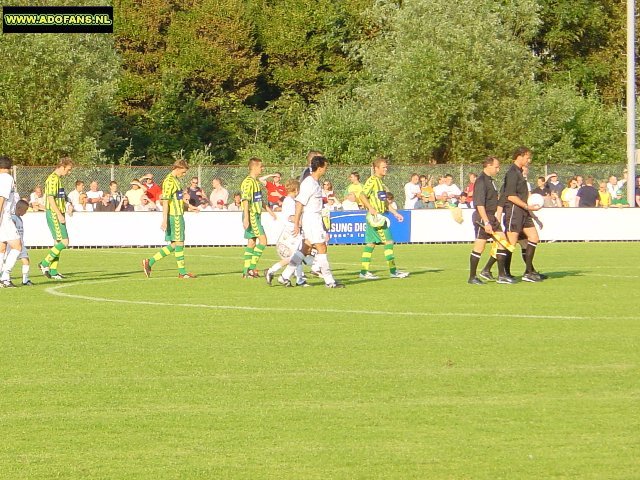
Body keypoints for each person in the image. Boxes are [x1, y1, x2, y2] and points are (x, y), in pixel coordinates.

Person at [276, 155, 344, 288]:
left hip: (314, 219)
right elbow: (300, 203)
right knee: (322, 247)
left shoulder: (314, 182)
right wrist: (296, 223)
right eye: (325, 167)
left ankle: (284, 276)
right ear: (319, 168)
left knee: (304, 249)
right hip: (312, 219)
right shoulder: (309, 183)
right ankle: (329, 281)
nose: (326, 169)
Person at [142, 159, 196, 279]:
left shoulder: (176, 181)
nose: (184, 174)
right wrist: (164, 220)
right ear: (177, 168)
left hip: (179, 214)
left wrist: (190, 207)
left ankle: (149, 262)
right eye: (184, 171)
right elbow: (165, 202)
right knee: (180, 243)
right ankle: (182, 272)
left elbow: (178, 199)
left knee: (173, 245)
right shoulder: (169, 181)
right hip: (174, 216)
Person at [358, 157, 409, 280]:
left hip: (377, 216)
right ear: (376, 168)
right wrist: (370, 207)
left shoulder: (381, 183)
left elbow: (385, 203)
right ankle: (393, 271)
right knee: (389, 242)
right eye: (383, 167)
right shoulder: (373, 180)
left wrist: (395, 213)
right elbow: (361, 195)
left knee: (370, 244)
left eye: (386, 167)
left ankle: (364, 272)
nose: (386, 169)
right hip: (376, 218)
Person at [501, 146, 543, 282]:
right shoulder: (512, 172)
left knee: (533, 237)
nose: (529, 160)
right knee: (510, 243)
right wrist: (527, 206)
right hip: (515, 211)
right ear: (519, 156)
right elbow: (510, 196)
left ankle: (528, 271)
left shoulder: (520, 172)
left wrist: (532, 214)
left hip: (524, 211)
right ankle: (504, 273)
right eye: (527, 157)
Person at [468, 156, 510, 284]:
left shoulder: (490, 180)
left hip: (492, 217)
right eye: (496, 166)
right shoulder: (481, 181)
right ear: (488, 166)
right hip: (483, 217)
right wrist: (486, 222)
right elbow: (479, 204)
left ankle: (501, 275)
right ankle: (472, 277)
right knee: (479, 247)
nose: (498, 169)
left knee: (503, 243)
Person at [264, 179, 309, 287]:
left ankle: (299, 279)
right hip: (291, 232)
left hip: (294, 230)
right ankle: (271, 270)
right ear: (297, 190)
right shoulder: (289, 201)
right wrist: (303, 223)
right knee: (295, 256)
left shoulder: (291, 200)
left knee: (298, 255)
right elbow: (291, 217)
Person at [38, 157, 74, 280]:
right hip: (54, 213)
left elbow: (61, 197)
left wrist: (69, 204)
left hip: (58, 212)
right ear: (62, 166)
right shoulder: (52, 179)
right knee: (65, 242)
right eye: (68, 170)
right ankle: (44, 263)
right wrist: (59, 214)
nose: (69, 173)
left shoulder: (58, 179)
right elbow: (51, 198)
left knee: (58, 243)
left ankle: (53, 271)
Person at [240, 158, 276, 278]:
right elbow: (245, 200)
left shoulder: (256, 182)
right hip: (251, 215)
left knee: (251, 242)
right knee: (263, 241)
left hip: (256, 215)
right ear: (254, 167)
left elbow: (259, 199)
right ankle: (251, 268)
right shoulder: (248, 182)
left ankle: (246, 271)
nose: (262, 168)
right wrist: (246, 217)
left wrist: (269, 210)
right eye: (261, 166)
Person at [0, 156, 24, 288]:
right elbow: (2, 198)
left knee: (2, 247)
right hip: (4, 216)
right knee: (17, 246)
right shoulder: (6, 178)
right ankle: (5, 276)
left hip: (4, 216)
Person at [2, 199, 33, 286]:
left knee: (26, 260)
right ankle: (5, 276)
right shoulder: (13, 218)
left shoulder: (19, 219)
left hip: (21, 244)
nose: (26, 212)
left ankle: (25, 280)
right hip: (13, 245)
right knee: (6, 260)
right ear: (19, 208)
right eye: (25, 210)